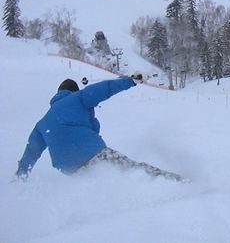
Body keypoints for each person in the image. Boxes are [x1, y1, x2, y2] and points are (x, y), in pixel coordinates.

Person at [15, 74, 185, 182]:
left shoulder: (43, 122)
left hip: (69, 169)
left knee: (105, 182)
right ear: (73, 91)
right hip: (91, 152)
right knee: (133, 170)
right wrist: (129, 81)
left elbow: (31, 152)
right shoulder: (77, 98)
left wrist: (21, 176)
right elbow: (103, 89)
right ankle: (174, 182)